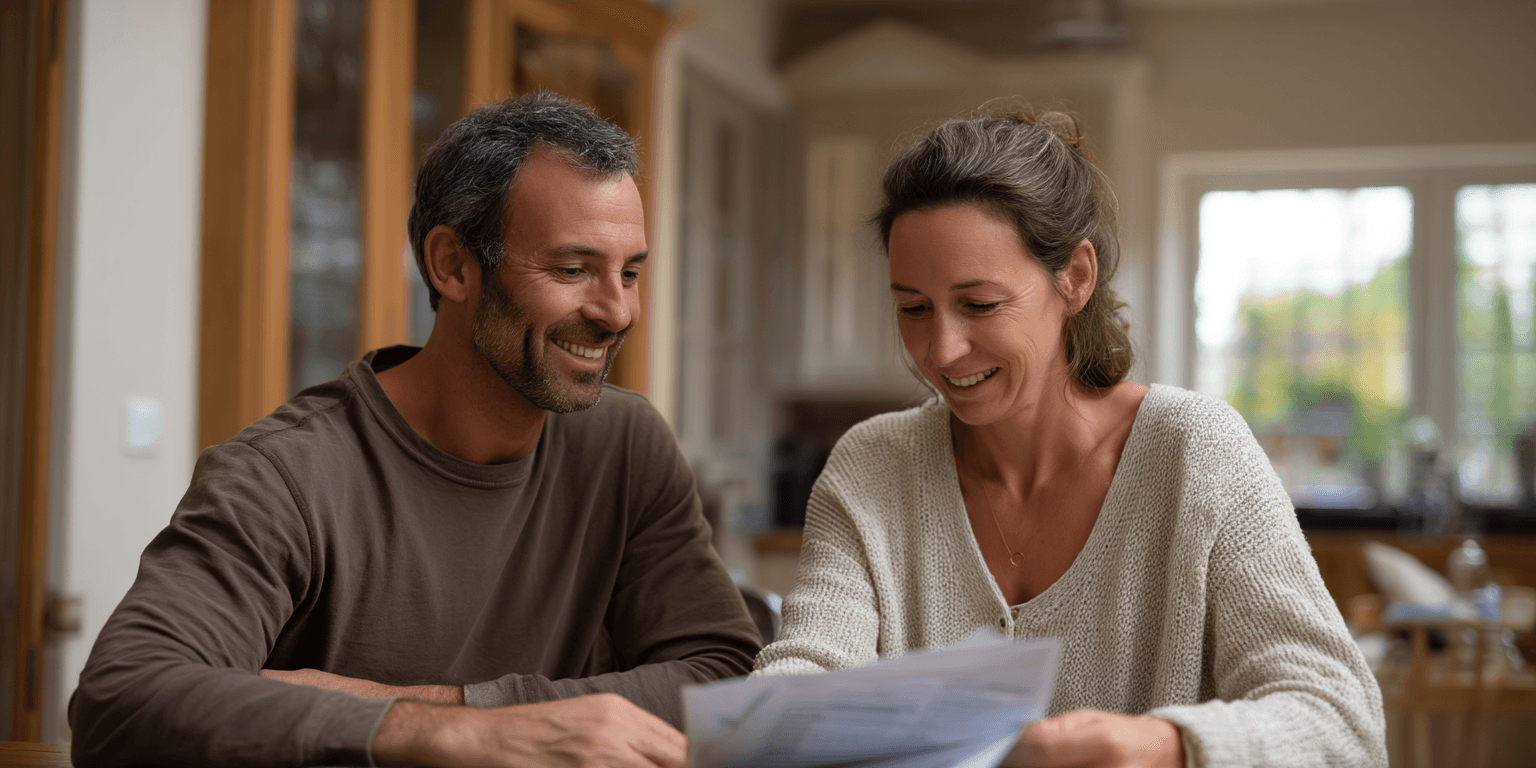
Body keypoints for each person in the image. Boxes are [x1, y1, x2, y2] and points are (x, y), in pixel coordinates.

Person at [69, 92, 762, 768]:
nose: (617, 312)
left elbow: (726, 676)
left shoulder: (627, 446)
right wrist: (458, 737)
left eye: (631, 273)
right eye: (573, 269)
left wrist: (448, 707)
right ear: (453, 265)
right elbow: (121, 699)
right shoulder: (284, 473)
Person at [753, 110, 1387, 767]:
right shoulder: (871, 467)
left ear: (1075, 278)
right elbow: (808, 674)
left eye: (979, 304)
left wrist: (1167, 746)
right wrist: (768, 724)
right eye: (914, 308)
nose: (940, 349)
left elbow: (1343, 725)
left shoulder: (1195, 453)